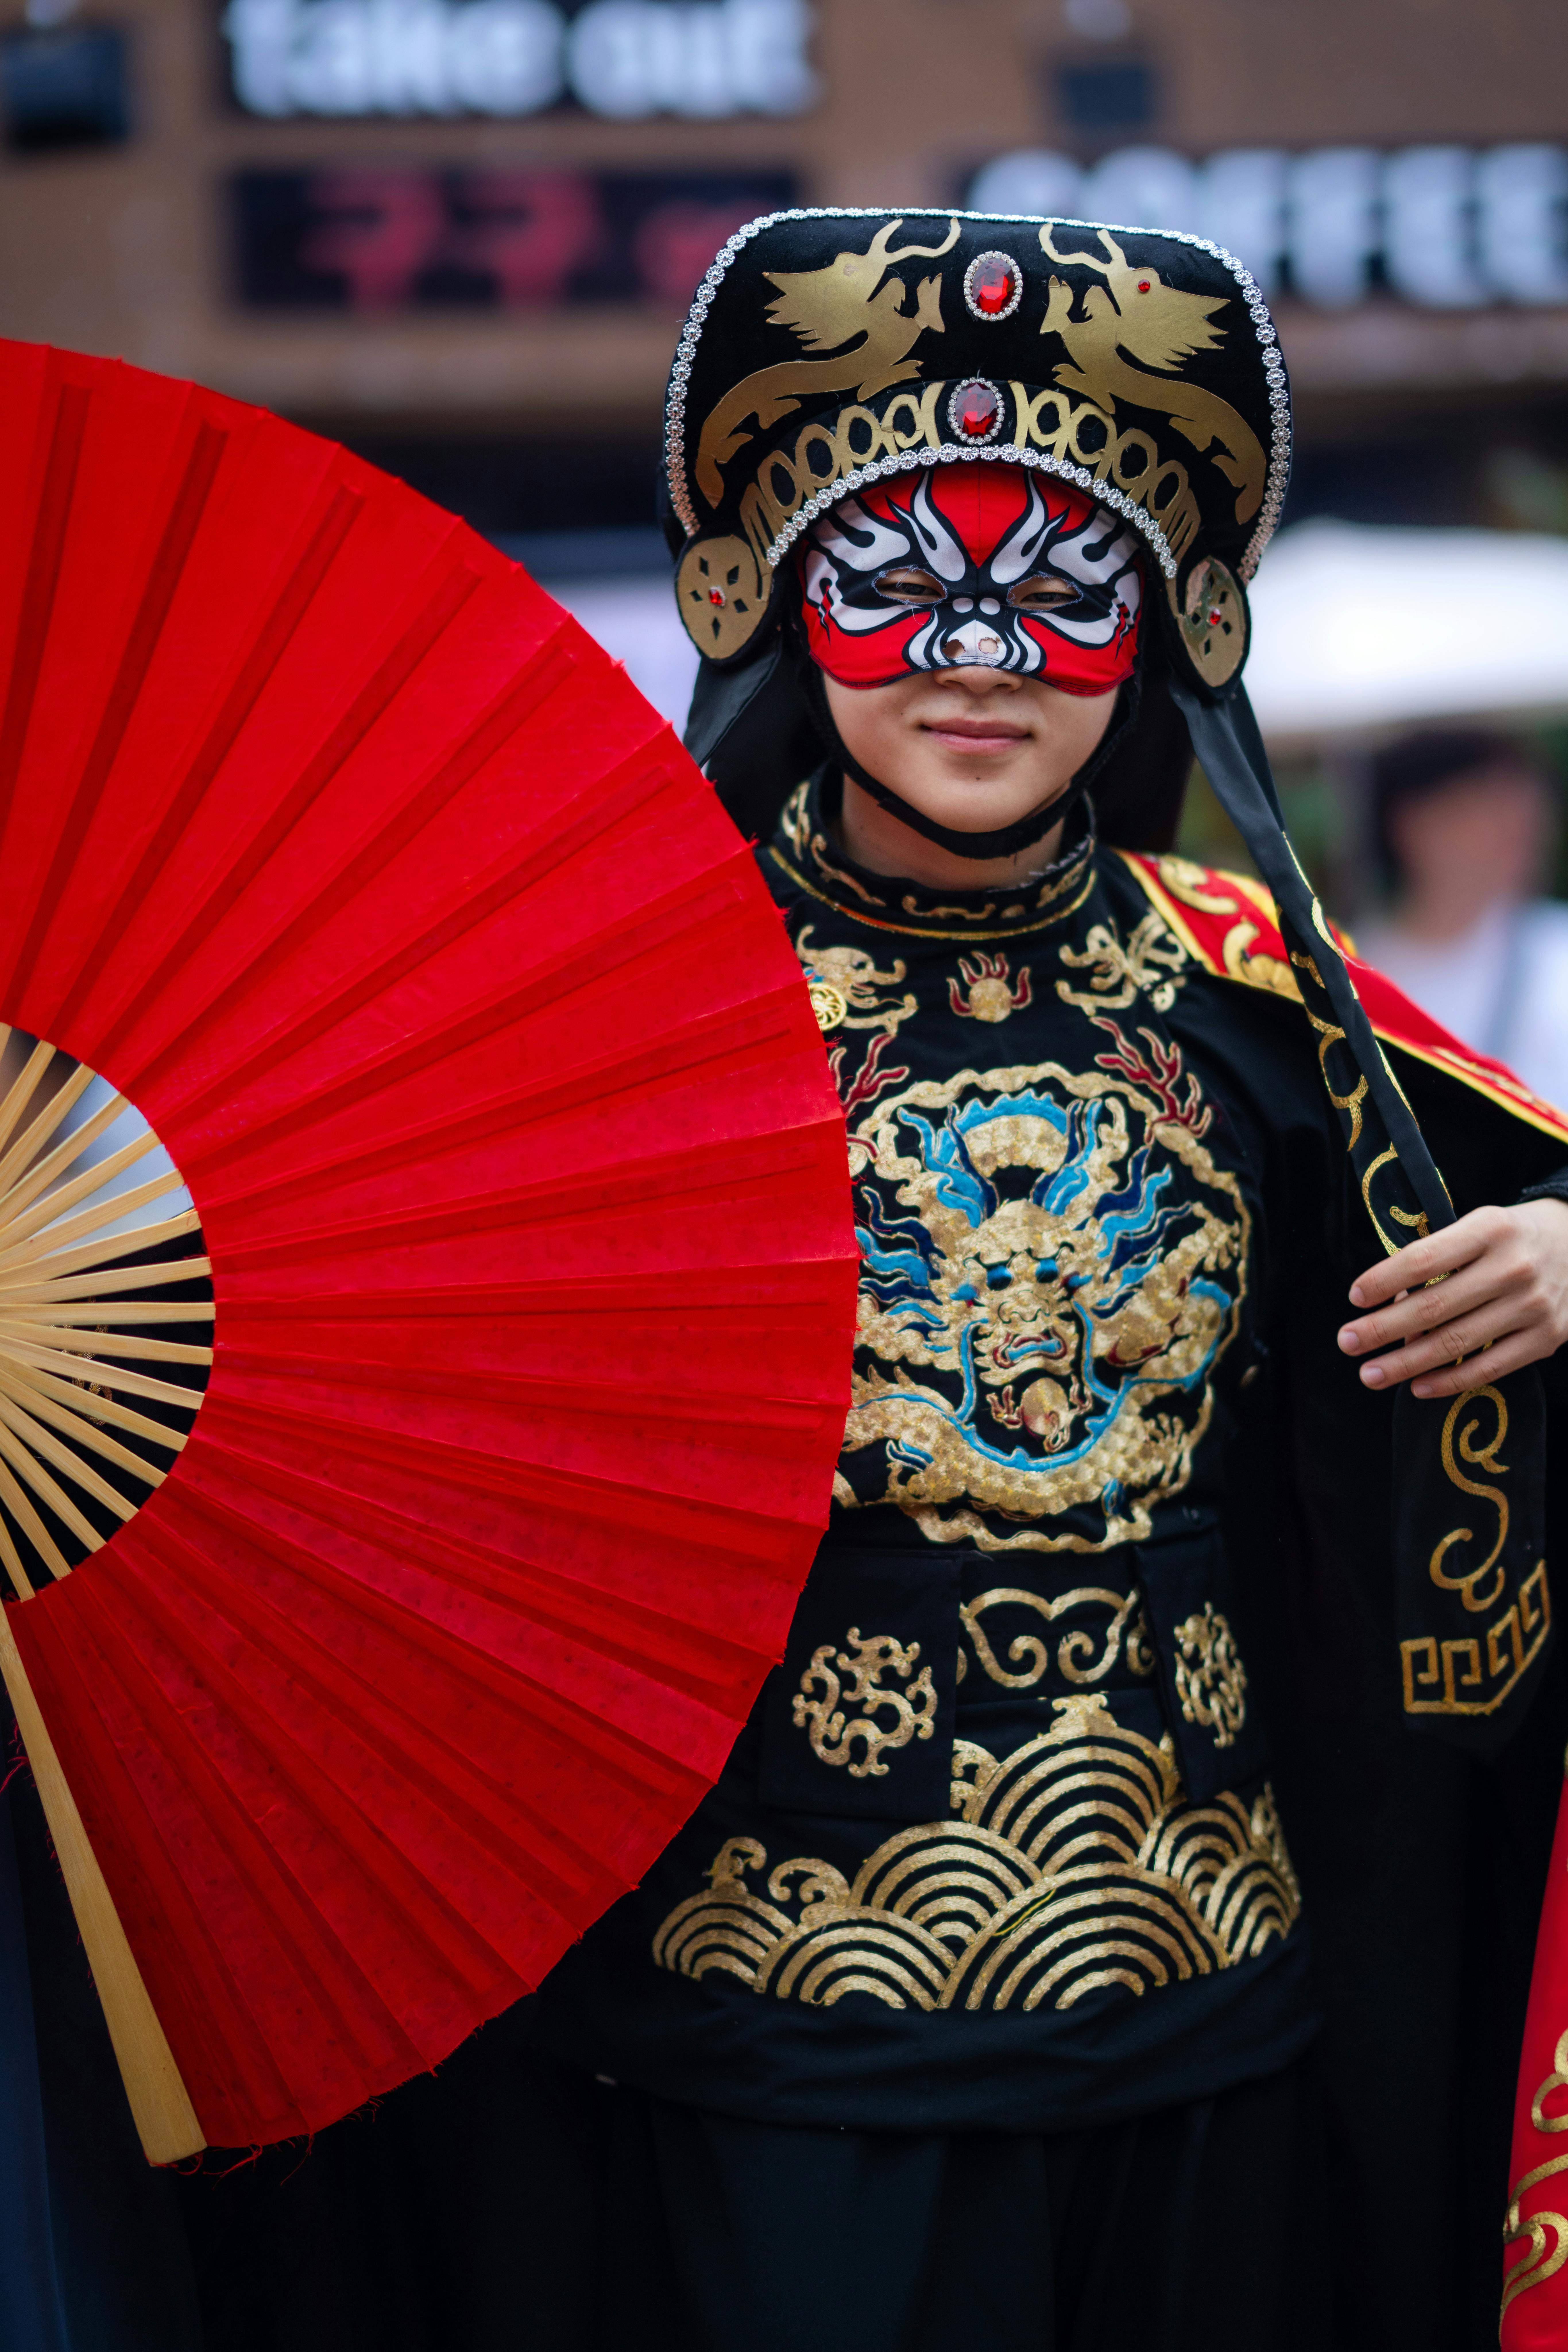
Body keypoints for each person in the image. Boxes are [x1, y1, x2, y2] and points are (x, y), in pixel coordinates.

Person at [163, 211, 1568, 2352]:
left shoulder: (1267, 1005)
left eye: (1062, 578)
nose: (982, 647)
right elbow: (319, 1354)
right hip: (759, 2051)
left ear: (1167, 628)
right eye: (898, 569)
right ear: (773, 597)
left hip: (1214, 2031)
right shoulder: (612, 1001)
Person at [1355, 726, 1568, 1110]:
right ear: (1412, 825)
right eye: (1485, 805)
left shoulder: (1555, 950)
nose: (1517, 827)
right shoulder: (1351, 970)